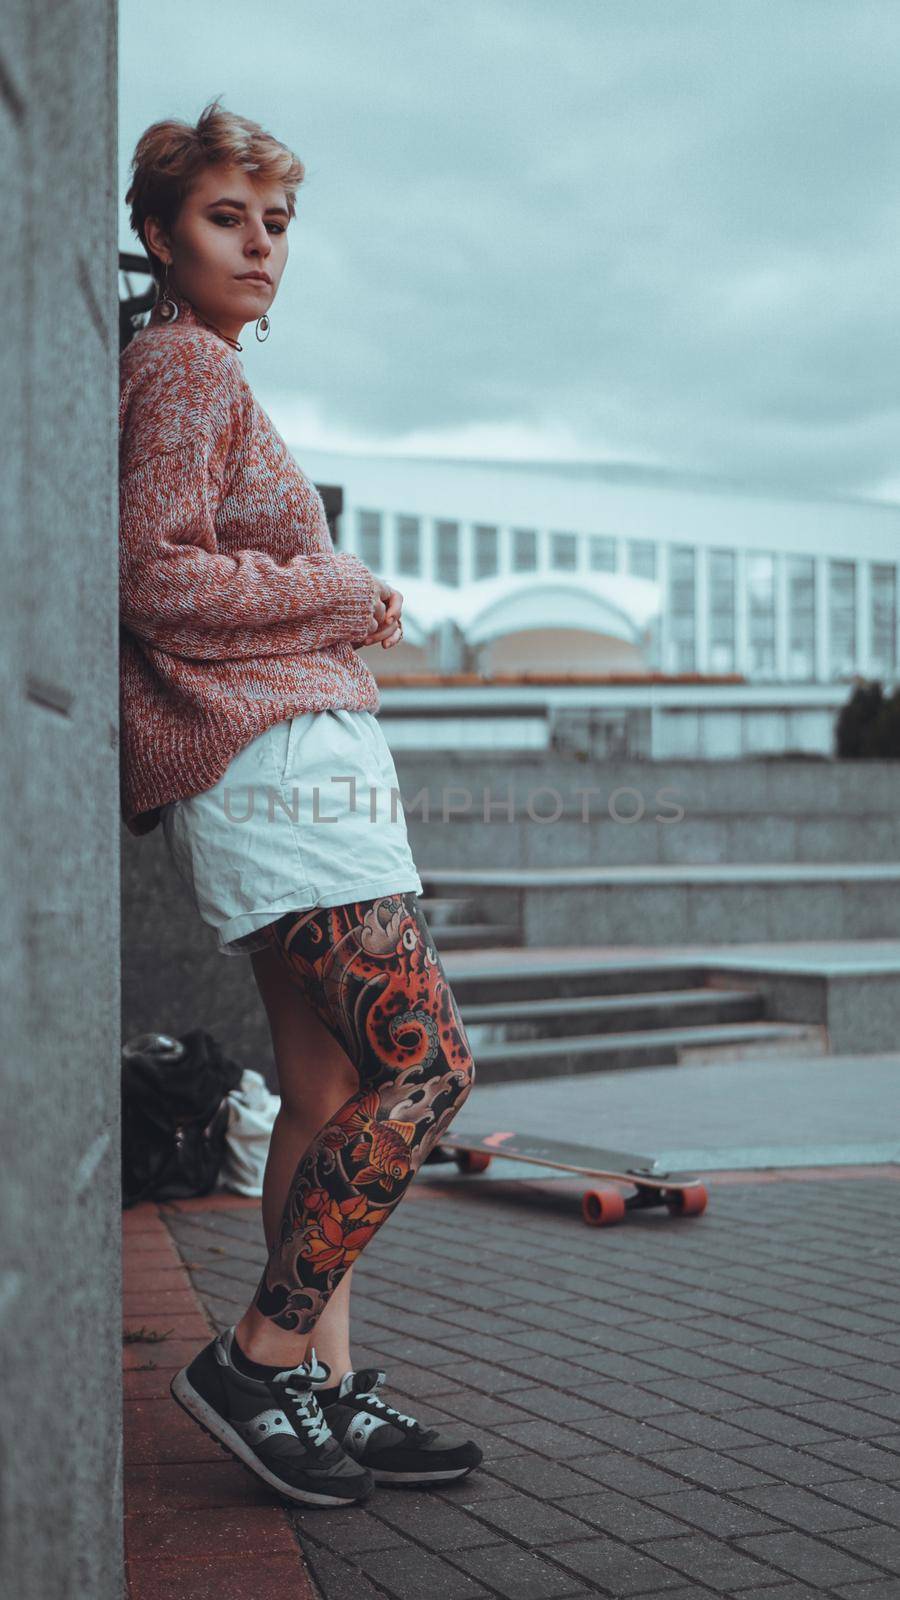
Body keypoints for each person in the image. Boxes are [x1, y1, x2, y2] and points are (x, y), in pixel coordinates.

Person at [121, 97, 480, 1508]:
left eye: (277, 222)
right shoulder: (186, 371)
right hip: (276, 770)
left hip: (284, 768)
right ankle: (261, 1360)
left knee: (326, 1091)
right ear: (157, 233)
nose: (262, 244)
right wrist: (352, 594)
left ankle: (323, 1392)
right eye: (227, 217)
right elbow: (151, 574)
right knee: (428, 1070)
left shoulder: (199, 371)